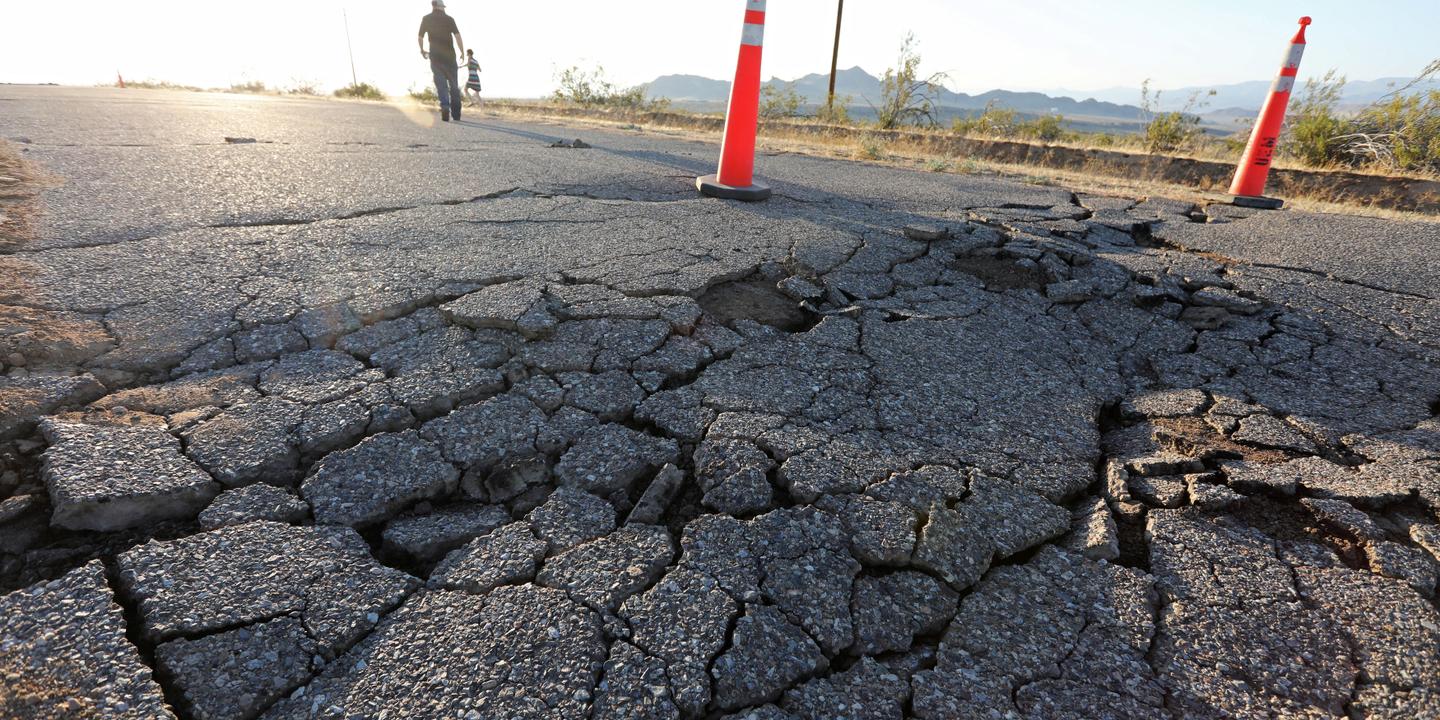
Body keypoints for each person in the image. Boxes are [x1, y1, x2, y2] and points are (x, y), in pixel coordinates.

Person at [417, 0, 464, 122]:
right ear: (439, 6)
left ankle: (444, 106)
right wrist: (462, 52)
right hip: (449, 56)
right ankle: (456, 114)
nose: (444, 8)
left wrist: (422, 50)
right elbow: (458, 36)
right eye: (443, 6)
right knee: (453, 85)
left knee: (441, 83)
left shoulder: (426, 19)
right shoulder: (449, 19)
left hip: (435, 56)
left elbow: (420, 36)